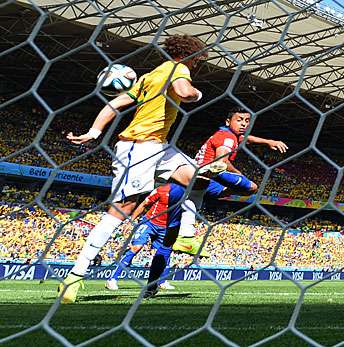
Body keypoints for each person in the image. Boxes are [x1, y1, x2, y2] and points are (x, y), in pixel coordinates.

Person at [58, 34, 224, 304]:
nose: (199, 64)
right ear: (192, 55)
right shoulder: (177, 68)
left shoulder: (149, 76)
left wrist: (94, 131)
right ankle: (75, 275)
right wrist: (197, 93)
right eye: (199, 59)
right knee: (120, 212)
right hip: (138, 147)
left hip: (160, 146)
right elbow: (184, 92)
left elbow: (115, 103)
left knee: (198, 180)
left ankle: (185, 235)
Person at [169, 107, 288, 254]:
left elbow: (248, 139)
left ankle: (185, 237)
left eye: (247, 121)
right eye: (239, 120)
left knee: (192, 202)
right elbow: (223, 161)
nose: (244, 124)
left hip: (200, 176)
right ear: (228, 121)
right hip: (208, 172)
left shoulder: (232, 135)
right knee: (252, 187)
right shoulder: (227, 137)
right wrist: (240, 174)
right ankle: (214, 180)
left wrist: (268, 141)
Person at [105, 183, 209, 291]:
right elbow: (144, 204)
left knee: (165, 253)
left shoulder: (186, 195)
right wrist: (131, 221)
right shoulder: (162, 189)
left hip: (165, 228)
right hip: (149, 222)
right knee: (136, 247)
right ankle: (112, 279)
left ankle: (162, 281)